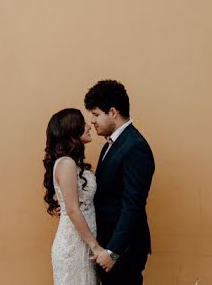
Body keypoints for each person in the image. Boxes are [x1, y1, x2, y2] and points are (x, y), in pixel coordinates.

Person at [85, 80, 155, 285]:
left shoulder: (135, 147)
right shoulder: (111, 144)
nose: (92, 121)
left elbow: (133, 204)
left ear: (113, 112)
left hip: (124, 251)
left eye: (96, 114)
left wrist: (113, 252)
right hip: (108, 246)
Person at [44, 108, 109, 285]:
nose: (88, 126)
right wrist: (95, 247)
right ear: (71, 130)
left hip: (83, 244)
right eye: (82, 124)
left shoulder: (73, 163)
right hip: (74, 247)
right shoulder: (66, 163)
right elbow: (73, 210)